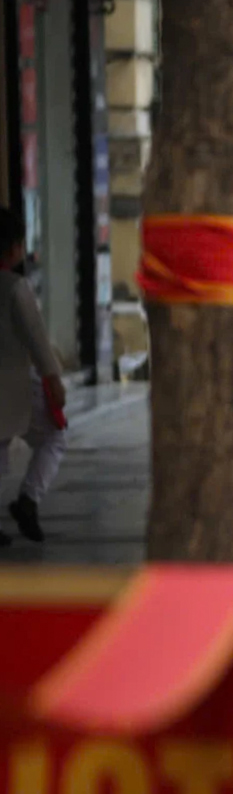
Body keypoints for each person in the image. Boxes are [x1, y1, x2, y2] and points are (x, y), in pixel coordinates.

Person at [0, 208, 65, 544]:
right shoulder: (15, 287)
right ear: (13, 246)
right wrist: (52, 377)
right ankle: (28, 499)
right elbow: (36, 337)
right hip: (13, 384)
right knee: (53, 437)